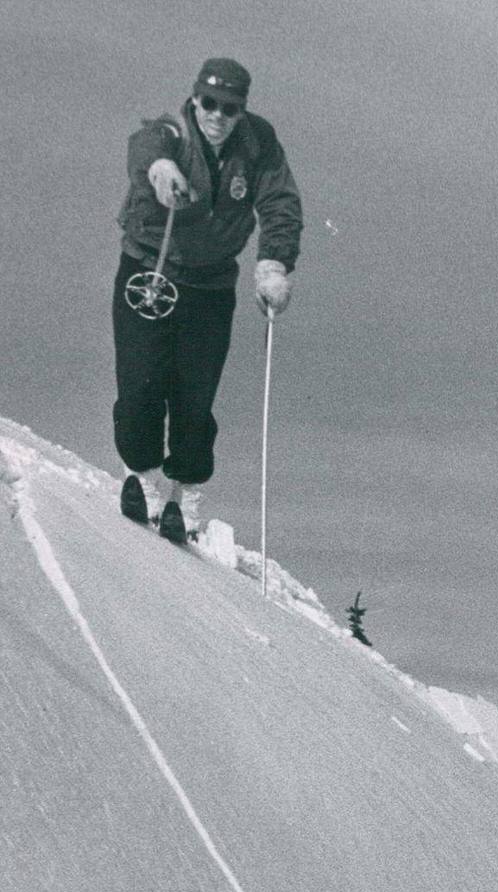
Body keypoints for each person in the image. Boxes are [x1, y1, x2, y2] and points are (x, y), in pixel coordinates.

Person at [113, 57, 303, 543]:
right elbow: (146, 147)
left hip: (211, 285)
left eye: (229, 108)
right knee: (140, 383)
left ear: (242, 111)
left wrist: (274, 264)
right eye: (209, 103)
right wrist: (160, 169)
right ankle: (145, 477)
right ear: (196, 98)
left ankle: (185, 495)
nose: (217, 115)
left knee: (194, 396)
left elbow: (279, 201)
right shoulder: (171, 133)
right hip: (150, 273)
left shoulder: (258, 143)